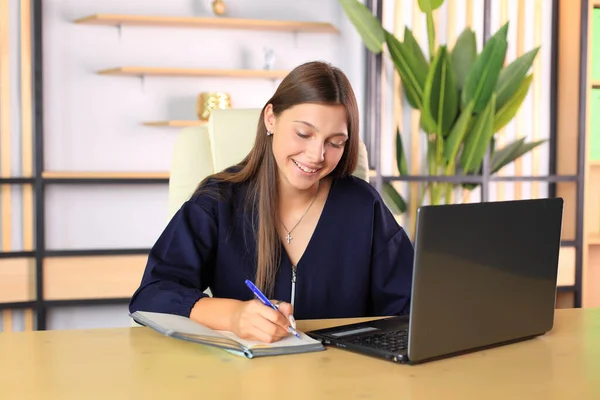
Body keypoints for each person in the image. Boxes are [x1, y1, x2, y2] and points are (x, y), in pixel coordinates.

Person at [129, 61, 415, 344]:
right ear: (271, 119)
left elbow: (410, 306)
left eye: (335, 142)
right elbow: (152, 295)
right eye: (303, 134)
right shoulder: (217, 201)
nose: (317, 155)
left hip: (342, 380)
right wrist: (233, 316)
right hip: (243, 382)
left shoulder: (364, 206)